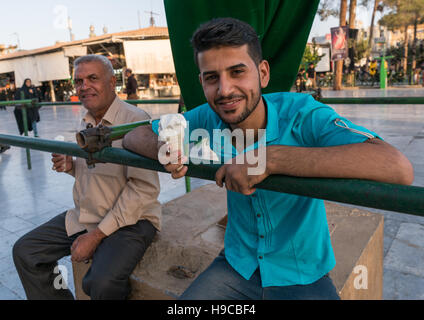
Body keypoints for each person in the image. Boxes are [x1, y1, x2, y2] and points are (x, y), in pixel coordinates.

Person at [123, 17, 413, 300]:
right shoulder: (205, 117)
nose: (224, 90)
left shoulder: (302, 114)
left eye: (237, 72)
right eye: (212, 78)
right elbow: (134, 136)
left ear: (262, 73)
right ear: (202, 82)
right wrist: (169, 150)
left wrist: (270, 158)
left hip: (303, 273)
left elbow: (396, 167)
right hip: (237, 265)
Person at [12, 54, 161, 300]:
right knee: (27, 252)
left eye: (93, 78)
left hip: (132, 220)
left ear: (113, 82)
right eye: (79, 81)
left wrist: (96, 235)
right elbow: (98, 174)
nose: (84, 86)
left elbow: (144, 191)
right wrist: (72, 166)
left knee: (100, 282)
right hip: (90, 212)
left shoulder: (134, 119)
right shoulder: (88, 120)